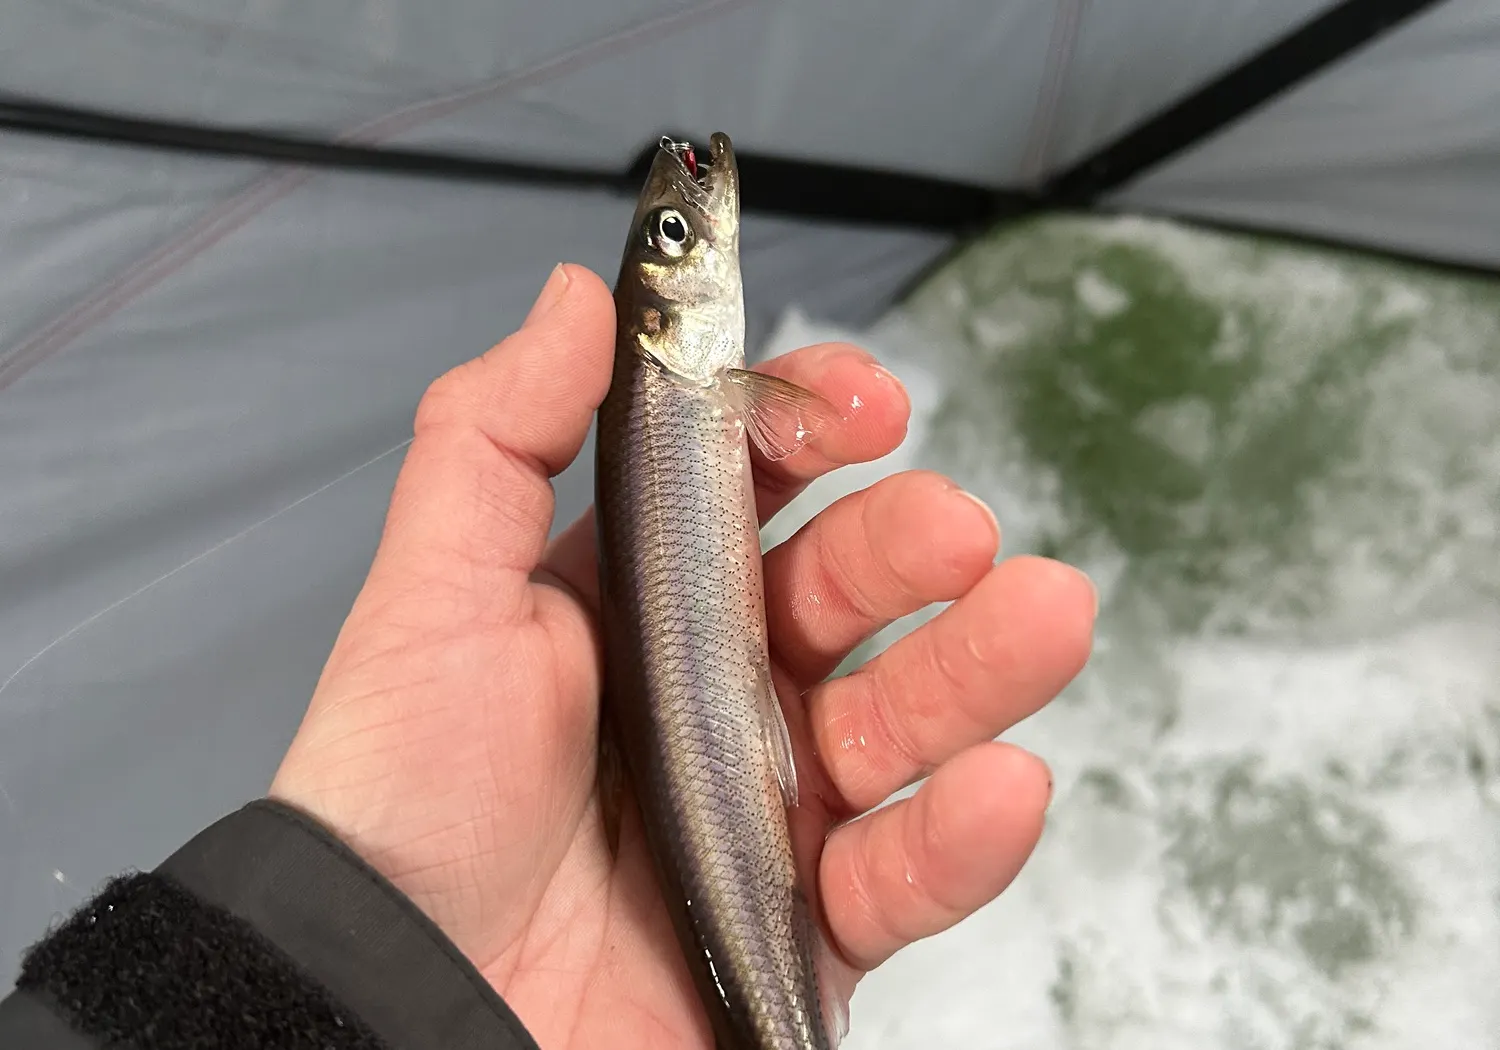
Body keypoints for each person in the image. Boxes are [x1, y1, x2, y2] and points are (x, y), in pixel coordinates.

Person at [0, 264, 1096, 1049]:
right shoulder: (694, 383)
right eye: (679, 236)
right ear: (670, 314)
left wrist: (328, 976)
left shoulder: (684, 386)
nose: (697, 218)